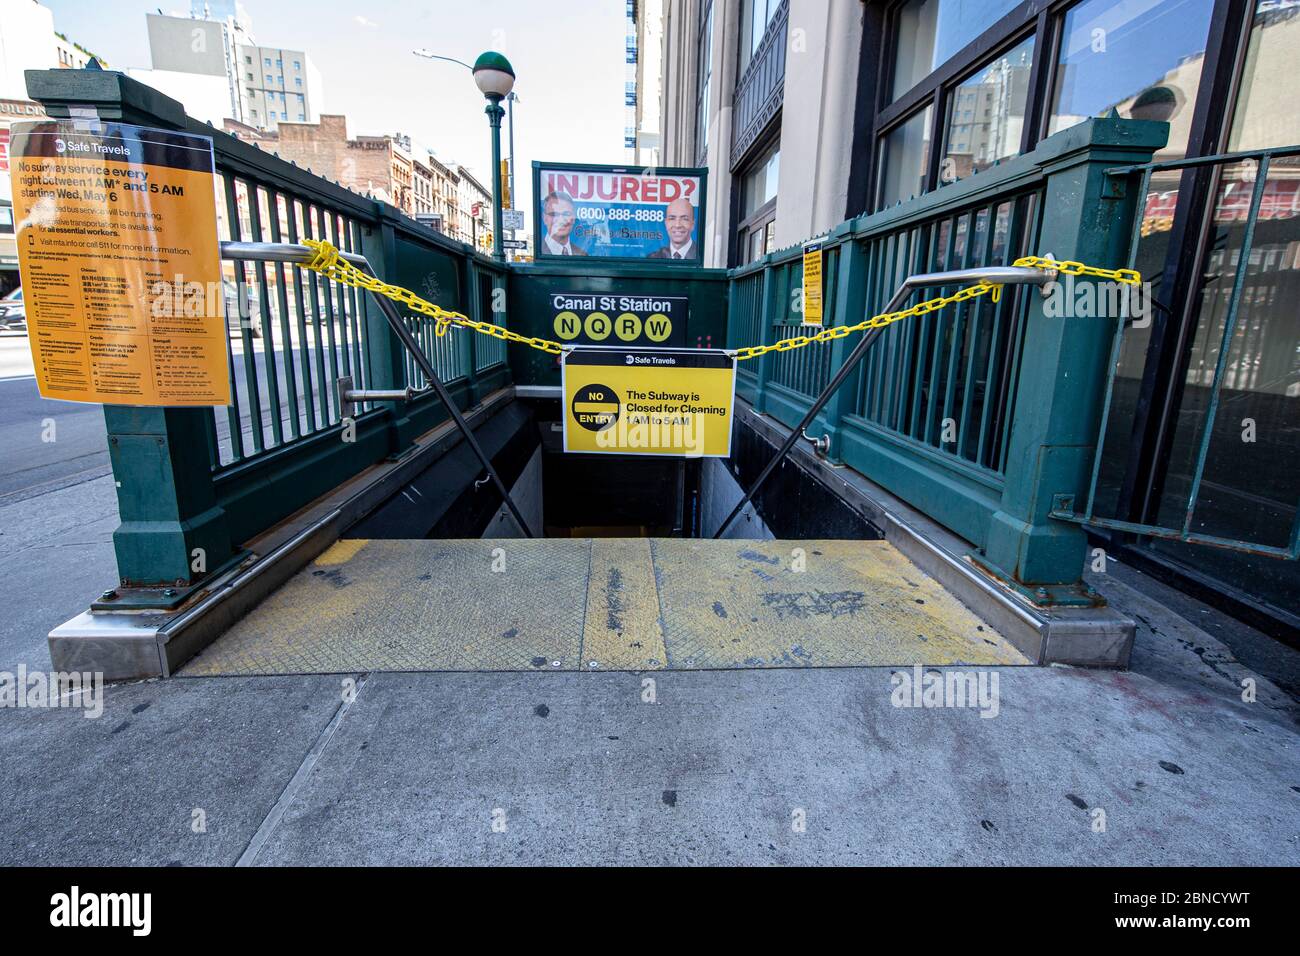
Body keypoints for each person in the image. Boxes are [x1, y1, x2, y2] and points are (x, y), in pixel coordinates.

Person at [541, 190, 585, 256]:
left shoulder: (582, 254)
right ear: (544, 218)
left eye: (566, 214)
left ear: (573, 218)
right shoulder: (536, 250)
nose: (560, 220)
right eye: (553, 214)